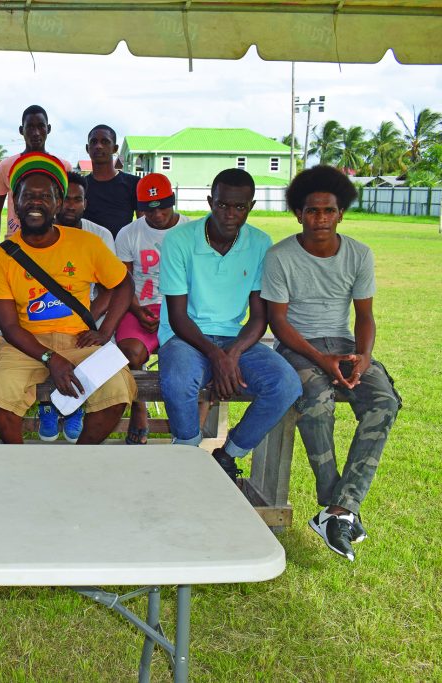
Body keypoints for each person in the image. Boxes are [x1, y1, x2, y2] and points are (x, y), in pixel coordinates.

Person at [263, 165, 400, 561]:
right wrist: (322, 360)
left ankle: (340, 509)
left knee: (384, 401)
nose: (319, 218)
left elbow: (365, 316)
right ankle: (335, 506)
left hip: (344, 343)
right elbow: (278, 321)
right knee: (317, 404)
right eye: (311, 211)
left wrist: (363, 358)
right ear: (298, 213)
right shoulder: (281, 256)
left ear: (341, 213)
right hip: (297, 347)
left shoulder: (359, 254)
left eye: (328, 211)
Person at [0, 152, 137, 445]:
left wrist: (105, 331)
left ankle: (77, 462)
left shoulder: (87, 243)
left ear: (59, 203)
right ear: (15, 202)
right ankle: (22, 467)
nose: (36, 202)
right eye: (28, 195)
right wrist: (50, 358)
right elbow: (10, 328)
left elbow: (124, 284)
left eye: (45, 196)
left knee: (116, 389)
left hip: (79, 341)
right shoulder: (0, 256)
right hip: (24, 344)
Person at [157, 168, 301, 480]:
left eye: (239, 207)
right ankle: (187, 452)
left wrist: (232, 353)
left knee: (286, 383)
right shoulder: (179, 240)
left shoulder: (260, 243)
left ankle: (229, 453)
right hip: (185, 338)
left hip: (235, 337)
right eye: (223, 205)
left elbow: (259, 317)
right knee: (178, 380)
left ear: (251, 206)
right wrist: (217, 356)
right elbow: (178, 318)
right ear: (210, 201)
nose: (230, 214)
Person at [34, 171, 118, 441]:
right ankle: (47, 406)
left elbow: (111, 288)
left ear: (85, 202)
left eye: (77, 199)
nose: (70, 205)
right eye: (65, 199)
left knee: (102, 350)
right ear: (56, 202)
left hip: (89, 314)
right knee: (37, 343)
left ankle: (75, 407)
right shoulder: (38, 233)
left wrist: (85, 320)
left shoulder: (100, 236)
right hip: (43, 317)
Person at [113, 173, 189, 444]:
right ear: (139, 208)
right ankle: (139, 408)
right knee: (131, 353)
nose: (157, 215)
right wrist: (136, 309)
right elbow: (122, 282)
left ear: (173, 201)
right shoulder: (129, 233)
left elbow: (200, 282)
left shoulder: (192, 231)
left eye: (163, 207)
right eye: (148, 209)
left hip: (182, 308)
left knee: (188, 359)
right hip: (141, 306)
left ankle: (190, 429)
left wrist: (175, 314)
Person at [0, 105, 72, 239]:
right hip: (14, 243)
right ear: (21, 130)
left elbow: (66, 212)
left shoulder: (62, 167)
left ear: (48, 129)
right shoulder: (6, 166)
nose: (36, 132)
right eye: (30, 127)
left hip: (50, 242)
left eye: (41, 126)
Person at [82, 124, 140, 238]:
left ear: (115, 148)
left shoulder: (133, 184)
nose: (98, 146)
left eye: (105, 142)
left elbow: (144, 225)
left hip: (121, 251)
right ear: (87, 148)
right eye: (93, 142)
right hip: (88, 252)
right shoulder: (80, 187)